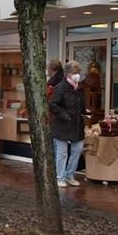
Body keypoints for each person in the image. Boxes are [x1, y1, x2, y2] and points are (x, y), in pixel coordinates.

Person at [49, 60, 86, 188]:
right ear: (68, 73)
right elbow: (53, 105)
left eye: (79, 72)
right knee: (62, 153)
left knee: (78, 149)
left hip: (77, 124)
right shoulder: (60, 88)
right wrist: (64, 115)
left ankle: (69, 175)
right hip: (62, 125)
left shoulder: (80, 88)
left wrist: (85, 113)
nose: (78, 75)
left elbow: (81, 106)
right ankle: (60, 177)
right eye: (75, 72)